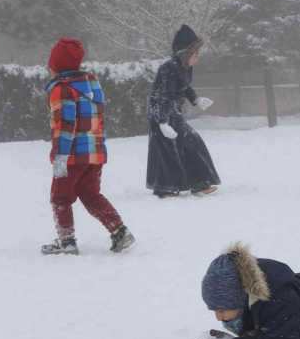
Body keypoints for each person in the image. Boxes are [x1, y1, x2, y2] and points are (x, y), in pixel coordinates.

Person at [41, 38, 135, 255]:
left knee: (60, 197)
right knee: (91, 194)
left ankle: (67, 241)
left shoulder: (61, 89)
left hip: (72, 156)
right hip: (95, 154)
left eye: (51, 63)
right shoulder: (92, 84)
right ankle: (119, 231)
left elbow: (65, 126)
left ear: (57, 65)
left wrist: (60, 157)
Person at [146, 24, 220, 198]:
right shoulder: (168, 68)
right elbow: (163, 96)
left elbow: (184, 87)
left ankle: (196, 184)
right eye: (196, 53)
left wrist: (196, 99)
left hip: (172, 110)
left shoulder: (184, 67)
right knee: (168, 148)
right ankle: (168, 187)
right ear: (185, 53)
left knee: (188, 142)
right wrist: (163, 123)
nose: (198, 57)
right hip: (161, 111)